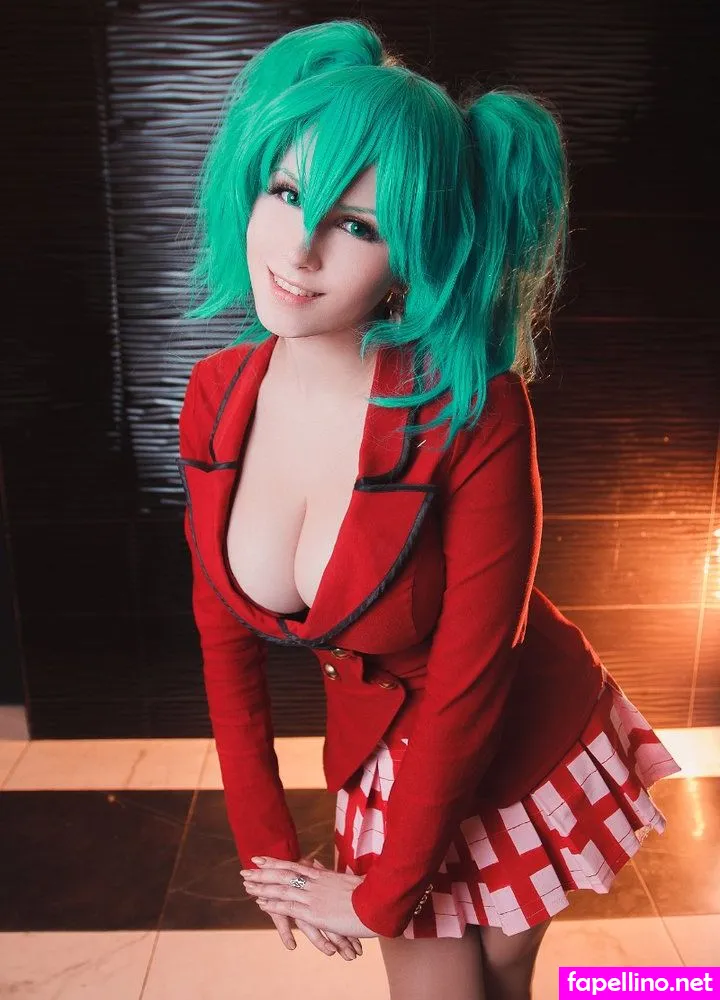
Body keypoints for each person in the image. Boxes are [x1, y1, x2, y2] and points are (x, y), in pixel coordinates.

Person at [177, 18, 682, 1000]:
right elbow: (221, 635)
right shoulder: (215, 395)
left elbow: (473, 669)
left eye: (358, 226)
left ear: (409, 254)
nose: (300, 249)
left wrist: (382, 894)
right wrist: (266, 847)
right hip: (390, 750)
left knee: (493, 979)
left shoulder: (475, 408)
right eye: (287, 192)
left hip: (521, 736)